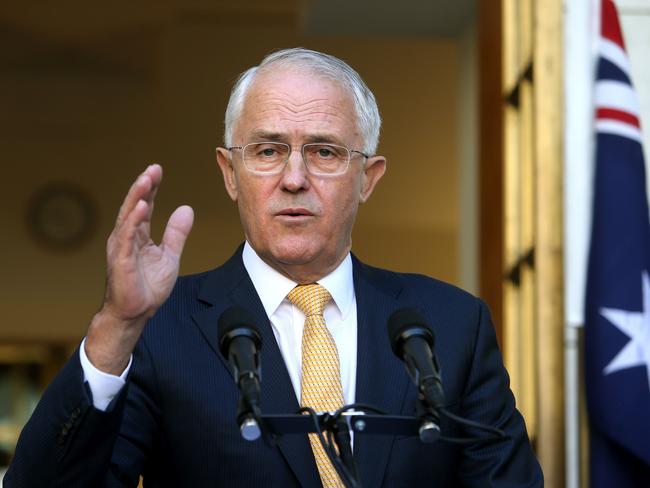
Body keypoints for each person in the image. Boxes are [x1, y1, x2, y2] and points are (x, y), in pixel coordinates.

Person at [5, 48, 543, 487]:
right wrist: (116, 328)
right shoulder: (159, 328)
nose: (293, 178)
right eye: (267, 150)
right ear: (230, 172)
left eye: (325, 152)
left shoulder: (450, 325)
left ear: (369, 178)